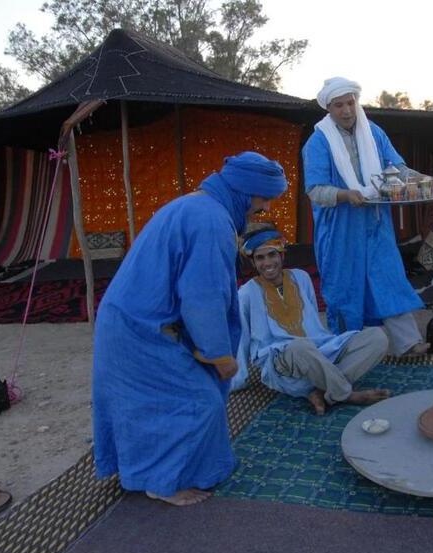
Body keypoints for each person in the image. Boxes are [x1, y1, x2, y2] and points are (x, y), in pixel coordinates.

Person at [92, 152, 287, 506]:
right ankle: (164, 482)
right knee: (197, 402)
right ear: (245, 191)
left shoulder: (199, 206)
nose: (266, 207)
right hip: (140, 329)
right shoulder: (211, 221)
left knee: (146, 405)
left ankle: (143, 469)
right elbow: (203, 295)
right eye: (264, 198)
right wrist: (220, 355)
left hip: (129, 320)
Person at [301, 76, 433, 357]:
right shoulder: (318, 142)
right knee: (344, 287)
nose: (346, 110)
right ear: (328, 108)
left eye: (350, 103)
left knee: (388, 277)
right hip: (340, 229)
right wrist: (345, 195)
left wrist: (421, 179)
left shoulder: (373, 132)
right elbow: (315, 191)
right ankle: (348, 348)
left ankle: (408, 343)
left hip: (375, 221)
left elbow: (396, 168)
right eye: (339, 105)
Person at [231, 224, 391, 415]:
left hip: (320, 349)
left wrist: (322, 349)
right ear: (253, 262)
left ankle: (319, 391)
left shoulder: (302, 277)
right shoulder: (246, 293)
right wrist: (238, 378)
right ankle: (345, 394)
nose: (267, 263)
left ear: (282, 255)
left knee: (377, 337)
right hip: (282, 360)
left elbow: (312, 320)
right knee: (300, 347)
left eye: (272, 254)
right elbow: (240, 336)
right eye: (260, 258)